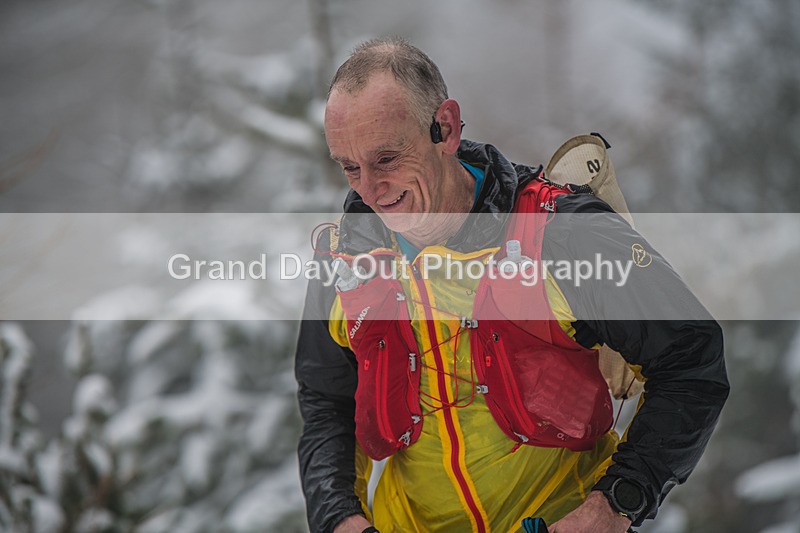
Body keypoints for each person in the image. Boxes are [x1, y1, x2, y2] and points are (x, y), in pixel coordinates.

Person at [295, 38, 729, 533]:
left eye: (387, 159)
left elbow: (692, 359)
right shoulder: (346, 257)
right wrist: (339, 519)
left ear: (447, 128)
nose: (369, 191)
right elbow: (326, 398)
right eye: (349, 167)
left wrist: (614, 506)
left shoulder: (562, 235)